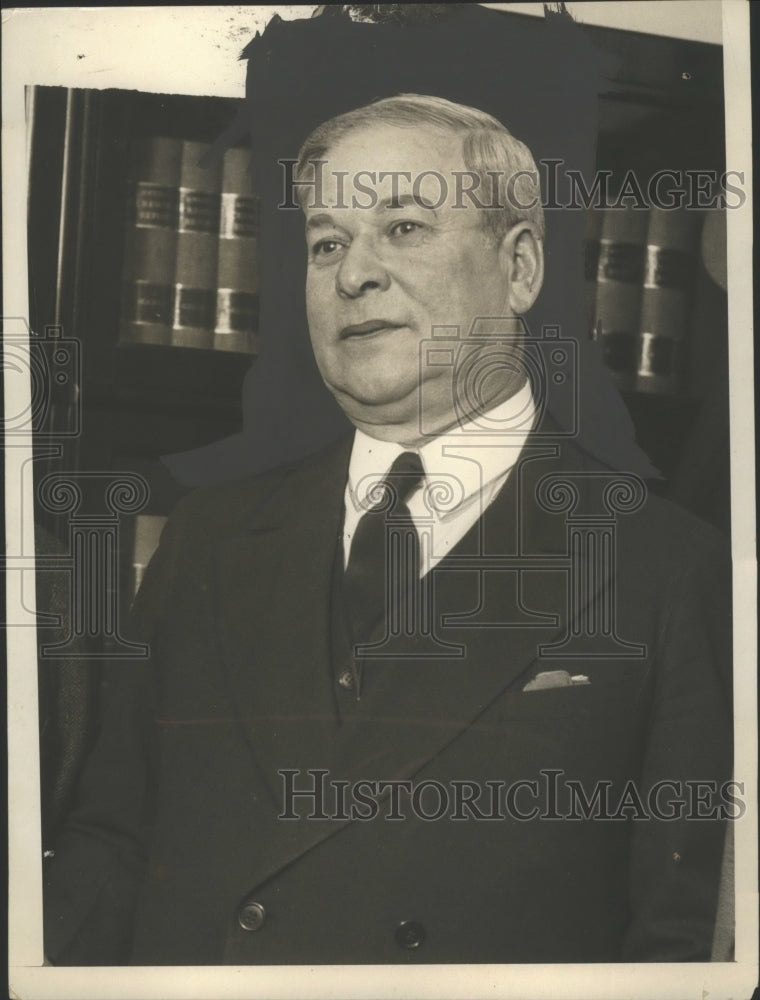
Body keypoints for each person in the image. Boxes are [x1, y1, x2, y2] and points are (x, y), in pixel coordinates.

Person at [44, 94, 733, 966]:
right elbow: (112, 846)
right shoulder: (206, 539)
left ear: (520, 267)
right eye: (328, 242)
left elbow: (681, 939)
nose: (353, 273)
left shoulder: (674, 571)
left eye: (404, 227)